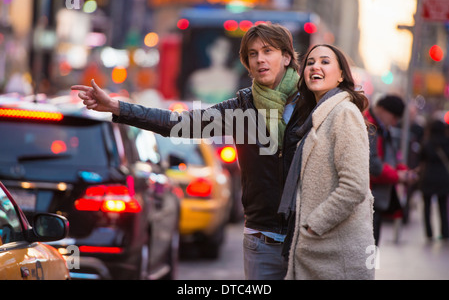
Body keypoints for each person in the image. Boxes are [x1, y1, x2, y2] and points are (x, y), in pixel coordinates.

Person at [72, 22, 303, 280]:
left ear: (286, 57)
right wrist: (117, 107)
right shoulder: (242, 107)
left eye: (267, 51)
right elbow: (176, 124)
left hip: (307, 239)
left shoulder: (312, 103)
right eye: (252, 54)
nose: (260, 59)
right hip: (262, 240)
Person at [278, 44, 375, 280]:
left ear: (341, 75)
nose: (315, 67)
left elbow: (354, 186)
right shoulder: (318, 116)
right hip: (319, 254)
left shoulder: (344, 112)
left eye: (324, 61)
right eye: (310, 63)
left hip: (334, 255)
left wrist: (313, 226)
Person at [364, 94, 417, 246]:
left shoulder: (382, 128)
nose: (394, 122)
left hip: (377, 199)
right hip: (368, 199)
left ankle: (370, 270)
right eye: (394, 117)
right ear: (382, 109)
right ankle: (368, 270)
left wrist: (404, 172)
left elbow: (393, 158)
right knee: (368, 252)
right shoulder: (371, 127)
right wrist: (398, 176)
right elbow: (373, 165)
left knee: (372, 251)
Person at [418, 119, 449, 241]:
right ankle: (445, 232)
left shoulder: (426, 142)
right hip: (443, 177)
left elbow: (421, 158)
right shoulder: (447, 142)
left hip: (428, 177)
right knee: (443, 206)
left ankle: (429, 233)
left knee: (427, 207)